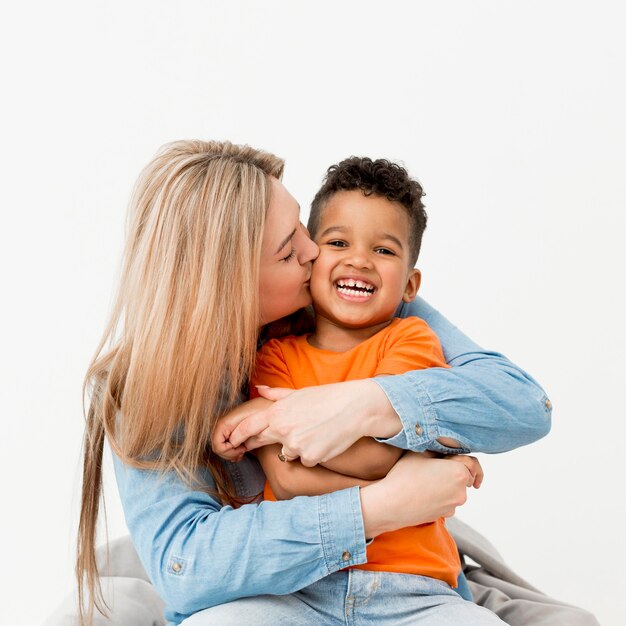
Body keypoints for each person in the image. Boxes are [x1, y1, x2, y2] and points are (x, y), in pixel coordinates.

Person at [77, 140, 552, 626]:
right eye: (288, 251)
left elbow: (523, 403)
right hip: (283, 590)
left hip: (412, 583)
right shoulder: (148, 385)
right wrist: (381, 505)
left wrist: (363, 404)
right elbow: (187, 565)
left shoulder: (371, 306)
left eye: (302, 226)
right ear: (232, 282)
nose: (315, 250)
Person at [216, 156, 503, 623]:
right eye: (338, 241)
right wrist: (406, 495)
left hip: (415, 590)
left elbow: (375, 455)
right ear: (310, 256)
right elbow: (287, 482)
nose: (359, 260)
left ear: (410, 284)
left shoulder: (412, 341)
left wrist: (271, 424)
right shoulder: (275, 356)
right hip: (298, 586)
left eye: (384, 251)